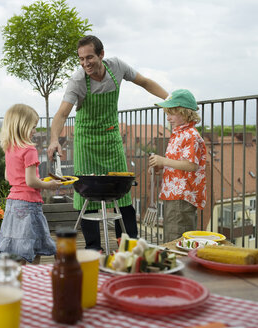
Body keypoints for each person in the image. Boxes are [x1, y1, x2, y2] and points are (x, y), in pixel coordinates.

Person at [47, 35, 169, 251]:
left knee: (122, 192)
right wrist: (54, 140)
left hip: (111, 139)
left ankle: (129, 246)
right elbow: (62, 113)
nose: (85, 63)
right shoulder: (77, 80)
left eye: (90, 57)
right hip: (86, 142)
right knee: (86, 192)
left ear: (101, 54)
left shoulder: (117, 67)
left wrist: (170, 101)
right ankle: (95, 248)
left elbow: (146, 82)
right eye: (81, 59)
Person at [0, 104, 61, 264]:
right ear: (22, 126)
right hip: (29, 204)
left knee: (17, 246)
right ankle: (33, 279)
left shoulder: (9, 148)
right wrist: (49, 185)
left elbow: (7, 176)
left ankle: (17, 278)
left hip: (13, 203)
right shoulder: (29, 150)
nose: (35, 131)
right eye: (33, 127)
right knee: (34, 245)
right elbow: (31, 181)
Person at [149, 89, 207, 242]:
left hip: (182, 195)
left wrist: (164, 161)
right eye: (167, 114)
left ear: (185, 113)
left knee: (177, 237)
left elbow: (191, 165)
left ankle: (180, 264)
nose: (168, 118)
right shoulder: (179, 133)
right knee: (171, 234)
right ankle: (175, 263)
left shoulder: (191, 135)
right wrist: (160, 166)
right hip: (174, 193)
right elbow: (178, 162)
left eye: (171, 113)